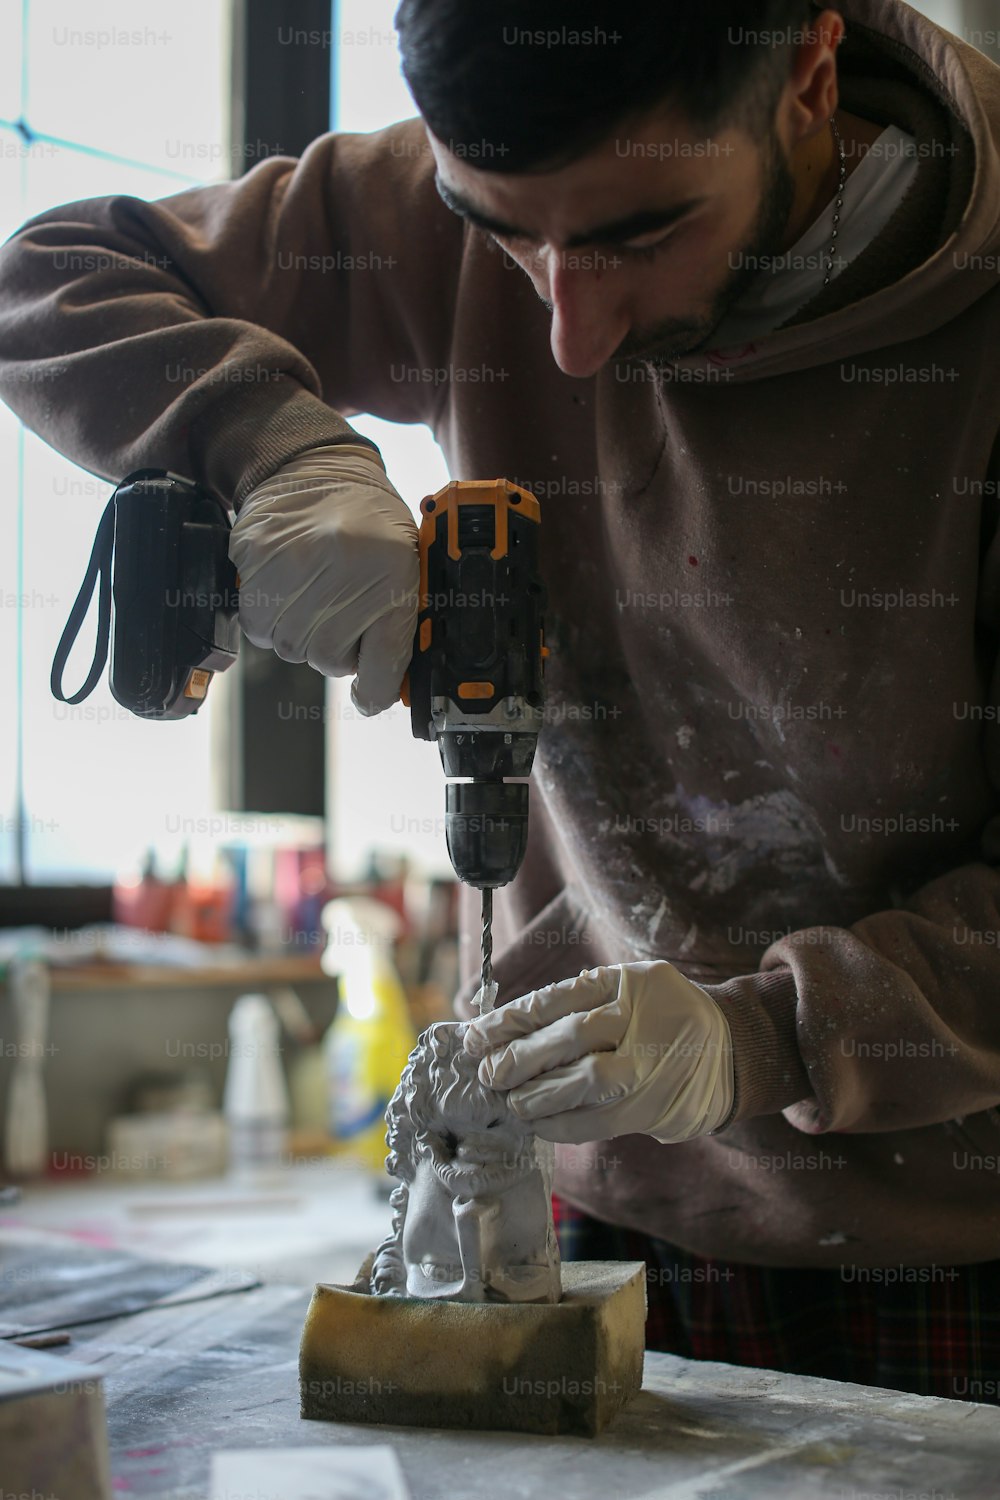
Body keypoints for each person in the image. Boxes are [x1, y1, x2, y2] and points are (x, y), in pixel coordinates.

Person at [1, 0, 999, 1400]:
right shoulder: (495, 188)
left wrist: (758, 1036)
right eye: (502, 235)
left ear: (810, 78)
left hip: (960, 1238)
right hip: (612, 1207)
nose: (566, 332)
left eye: (638, 235)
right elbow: (51, 275)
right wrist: (275, 449)